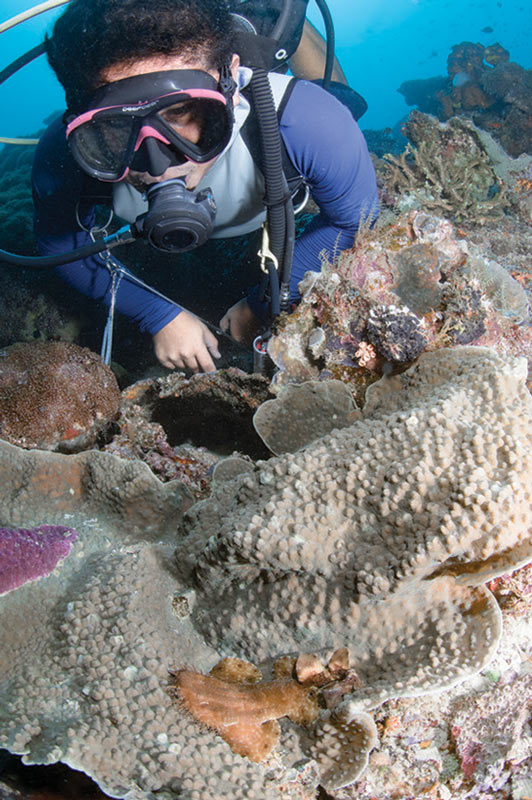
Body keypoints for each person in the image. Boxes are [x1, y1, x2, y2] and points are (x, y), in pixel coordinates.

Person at [32, 0, 378, 373]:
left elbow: (354, 220)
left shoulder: (311, 120)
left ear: (230, 78)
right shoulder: (63, 154)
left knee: (342, 101)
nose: (159, 164)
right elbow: (61, 245)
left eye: (181, 112)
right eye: (116, 127)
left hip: (278, 91)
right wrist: (159, 315)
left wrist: (262, 302)